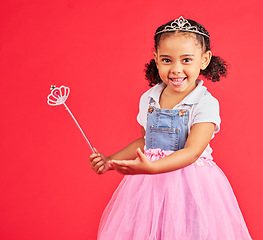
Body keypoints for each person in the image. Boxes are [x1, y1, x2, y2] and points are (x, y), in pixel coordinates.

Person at [89, 16, 253, 240]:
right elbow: (147, 142)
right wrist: (110, 161)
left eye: (186, 60)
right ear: (156, 59)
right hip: (151, 186)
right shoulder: (149, 98)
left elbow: (192, 151)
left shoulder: (204, 103)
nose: (176, 69)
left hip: (192, 185)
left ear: (204, 60)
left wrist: (153, 168)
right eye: (167, 60)